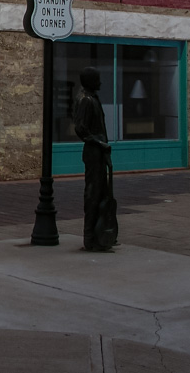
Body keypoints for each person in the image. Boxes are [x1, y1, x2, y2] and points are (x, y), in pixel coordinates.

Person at [74, 66, 116, 251]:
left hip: (100, 151)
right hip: (93, 151)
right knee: (93, 193)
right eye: (97, 79)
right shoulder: (85, 100)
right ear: (90, 81)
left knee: (103, 192)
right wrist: (100, 144)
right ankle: (90, 236)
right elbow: (81, 129)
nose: (100, 82)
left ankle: (102, 234)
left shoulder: (92, 98)